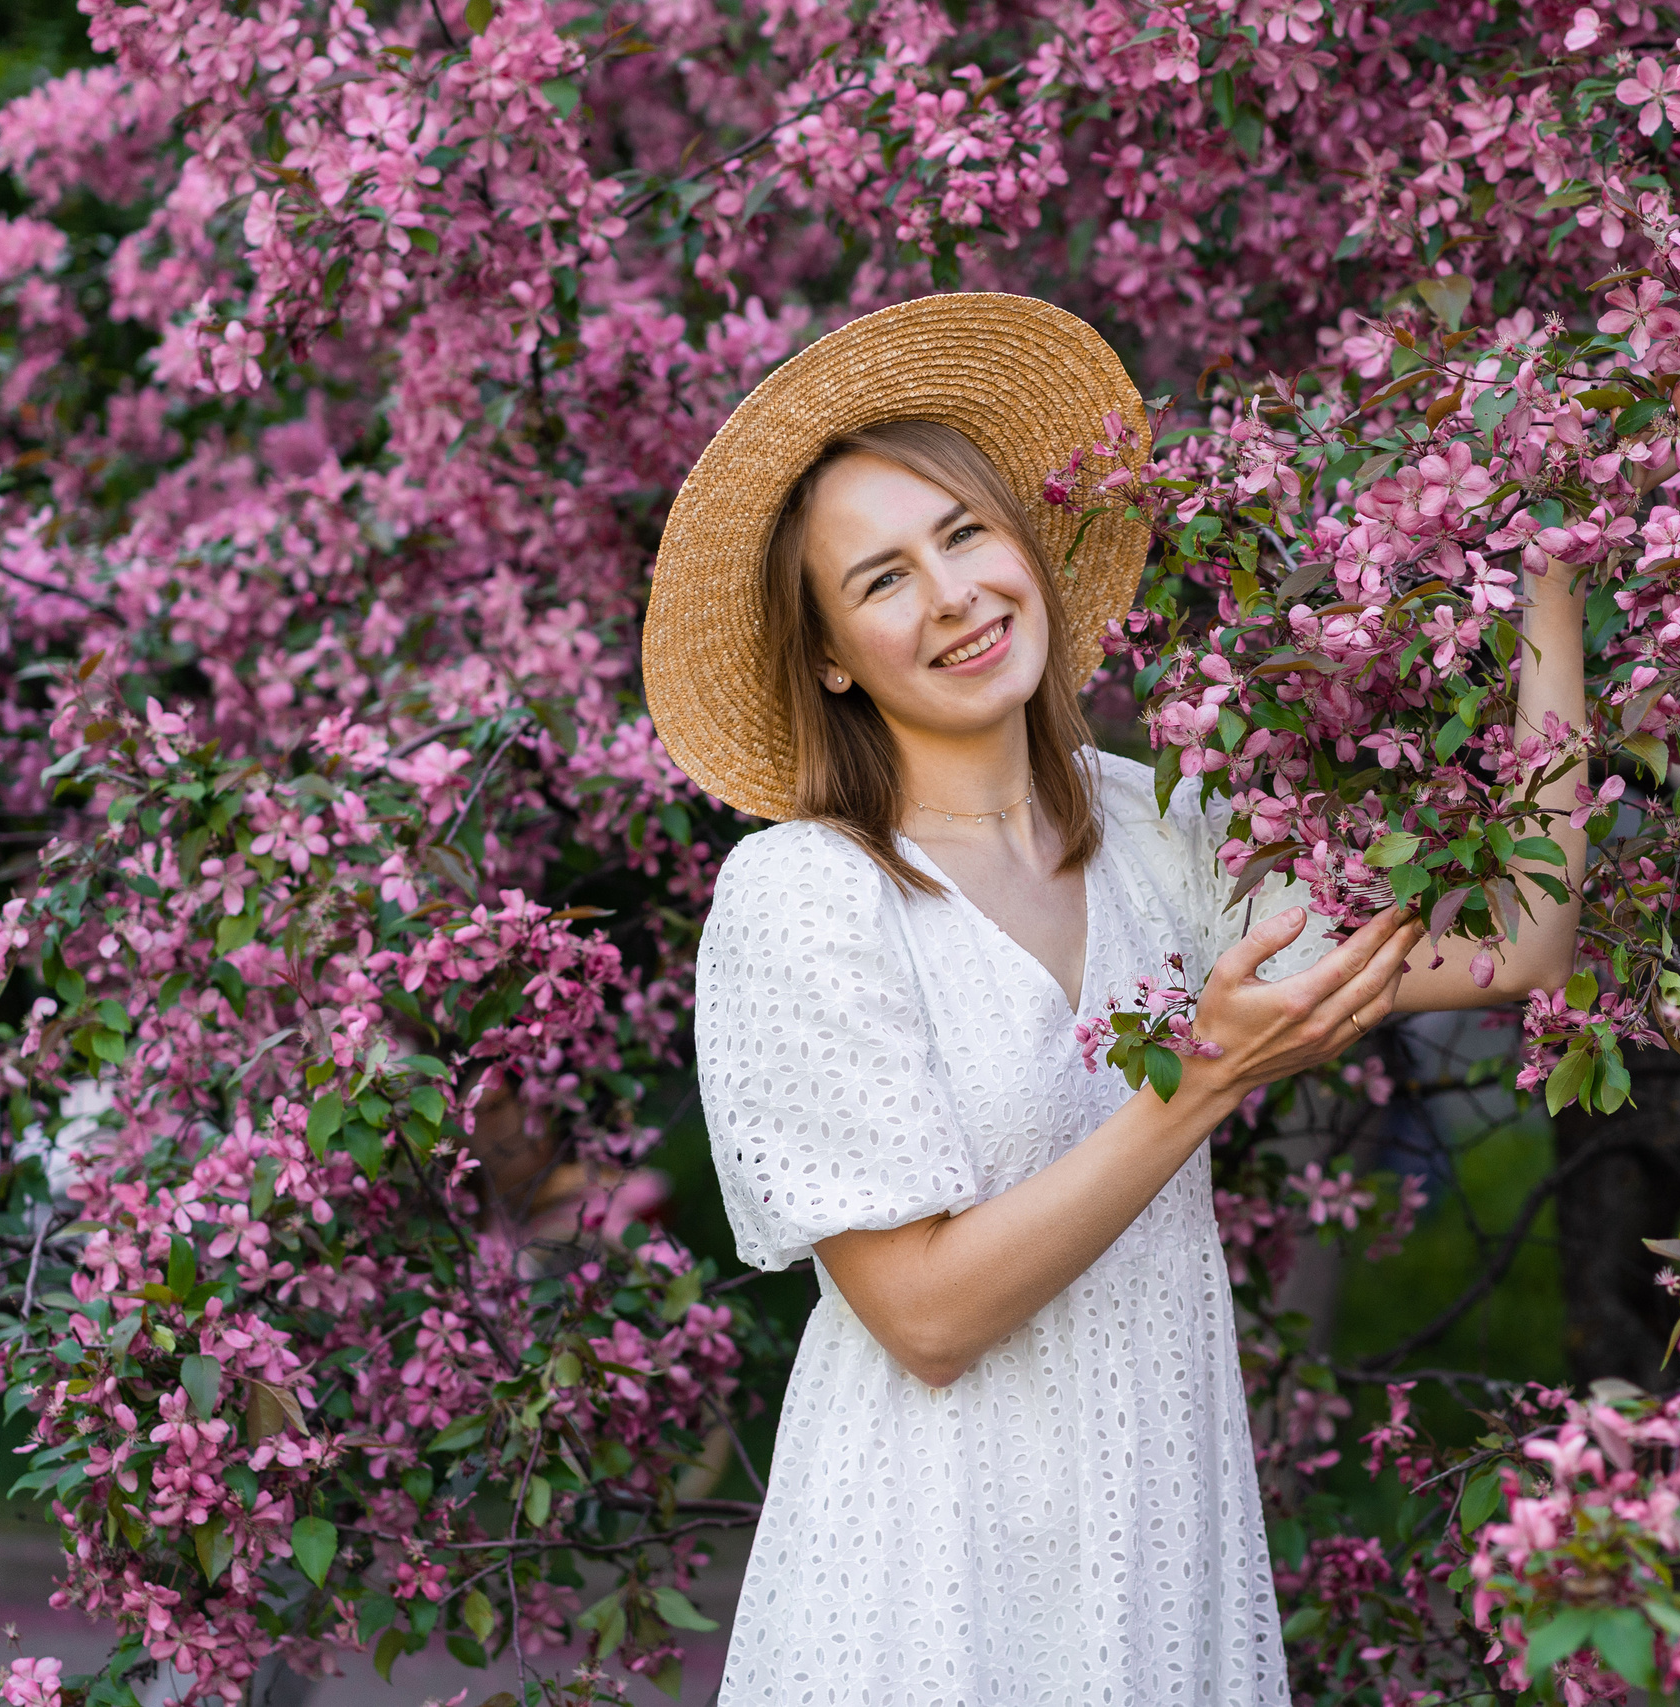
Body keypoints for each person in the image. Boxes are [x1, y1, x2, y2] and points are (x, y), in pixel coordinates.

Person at [642, 293, 1589, 1706]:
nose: (955, 594)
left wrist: (1551, 581)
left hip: (1154, 1547)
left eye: (967, 534)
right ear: (834, 653)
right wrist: (1203, 1080)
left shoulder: (1161, 835)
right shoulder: (807, 894)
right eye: (885, 578)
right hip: (923, 1584)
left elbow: (1519, 938)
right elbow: (927, 1319)